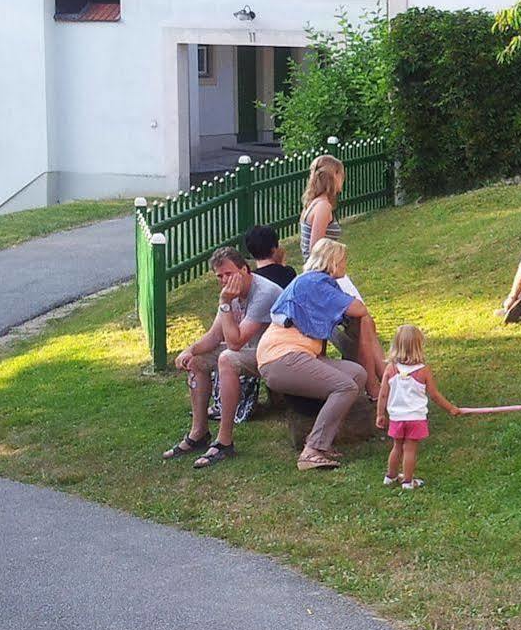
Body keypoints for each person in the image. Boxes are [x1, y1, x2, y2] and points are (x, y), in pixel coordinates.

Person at [255, 240, 377, 471]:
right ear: (332, 261)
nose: (345, 265)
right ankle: (312, 450)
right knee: (345, 387)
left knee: (356, 374)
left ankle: (324, 439)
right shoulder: (316, 281)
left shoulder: (310, 281)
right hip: (282, 356)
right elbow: (358, 309)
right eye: (343, 260)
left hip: (297, 355)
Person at [160, 246, 280, 469]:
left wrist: (225, 303)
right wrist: (190, 350)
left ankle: (224, 441)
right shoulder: (231, 294)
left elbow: (235, 343)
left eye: (229, 273)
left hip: (274, 353)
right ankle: (199, 433)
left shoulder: (263, 293)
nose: (225, 280)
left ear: (245, 270)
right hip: (250, 349)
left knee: (227, 358)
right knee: (196, 361)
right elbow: (215, 335)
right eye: (220, 276)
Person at [376, 323, 459, 490]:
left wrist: (380, 414)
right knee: (410, 450)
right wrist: (451, 408)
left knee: (397, 447)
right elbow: (434, 395)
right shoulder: (423, 370)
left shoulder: (390, 369)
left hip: (397, 417)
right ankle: (407, 481)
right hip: (415, 418)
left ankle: (390, 476)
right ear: (419, 346)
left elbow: (383, 394)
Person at [298, 154, 344, 258]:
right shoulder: (323, 206)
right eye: (341, 174)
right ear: (334, 176)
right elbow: (315, 248)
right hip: (320, 269)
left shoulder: (314, 202)